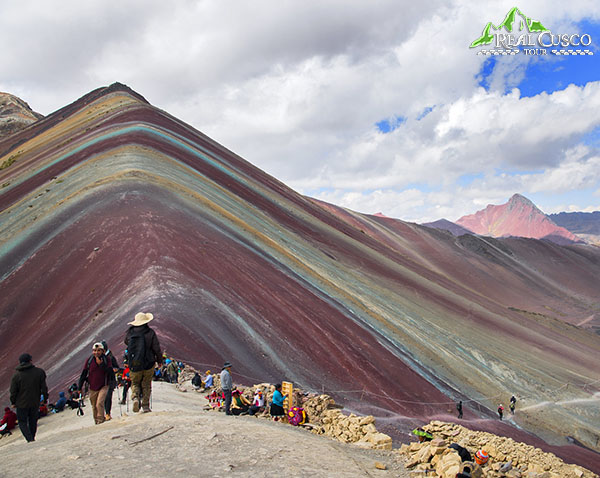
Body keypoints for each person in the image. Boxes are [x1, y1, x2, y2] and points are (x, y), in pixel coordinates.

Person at [124, 312, 162, 413]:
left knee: (135, 383)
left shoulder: (130, 333)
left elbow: (126, 342)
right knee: (146, 384)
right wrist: (159, 360)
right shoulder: (150, 332)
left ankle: (135, 398)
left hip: (134, 363)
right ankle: (145, 406)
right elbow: (156, 348)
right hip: (148, 363)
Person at [9, 353, 49, 442]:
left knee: (22, 422)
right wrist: (45, 398)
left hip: (21, 404)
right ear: (30, 361)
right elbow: (44, 388)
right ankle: (32, 438)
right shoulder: (39, 372)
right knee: (33, 421)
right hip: (35, 402)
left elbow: (13, 391)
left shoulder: (16, 376)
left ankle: (29, 439)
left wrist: (13, 402)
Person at [78, 342, 115, 425]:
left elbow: (110, 372)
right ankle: (97, 422)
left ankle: (101, 420)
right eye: (94, 350)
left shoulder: (107, 359)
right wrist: (79, 387)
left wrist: (101, 365)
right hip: (93, 387)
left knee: (99, 403)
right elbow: (84, 373)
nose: (96, 352)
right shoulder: (89, 360)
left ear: (103, 351)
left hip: (104, 386)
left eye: (98, 350)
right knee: (94, 406)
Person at [101, 340, 120, 421]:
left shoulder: (111, 357)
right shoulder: (99, 357)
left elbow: (117, 367)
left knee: (108, 397)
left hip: (110, 380)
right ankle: (103, 414)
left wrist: (113, 370)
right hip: (102, 380)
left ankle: (108, 413)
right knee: (102, 398)